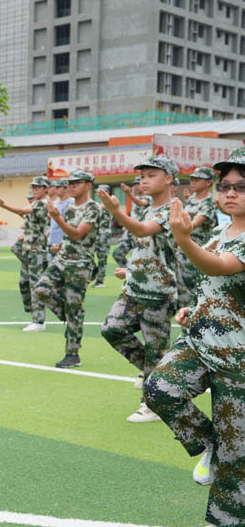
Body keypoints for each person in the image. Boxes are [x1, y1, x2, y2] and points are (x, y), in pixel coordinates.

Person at [143, 148, 245, 527]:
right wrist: (194, 309)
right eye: (225, 187)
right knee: (159, 389)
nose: (231, 193)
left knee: (237, 449)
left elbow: (219, 266)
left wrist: (183, 238)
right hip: (202, 340)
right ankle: (208, 445)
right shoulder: (225, 231)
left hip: (237, 357)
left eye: (241, 187)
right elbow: (217, 282)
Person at [98, 156, 180, 422]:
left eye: (151, 175)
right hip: (134, 288)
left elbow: (144, 232)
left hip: (157, 293)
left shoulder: (172, 209)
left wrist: (116, 211)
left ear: (168, 179)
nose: (144, 180)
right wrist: (131, 270)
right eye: (142, 175)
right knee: (112, 329)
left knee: (156, 349)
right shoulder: (148, 209)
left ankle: (152, 404)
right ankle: (157, 374)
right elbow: (146, 248)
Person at [33, 169, 101, 368]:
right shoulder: (71, 207)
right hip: (63, 258)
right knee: (41, 289)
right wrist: (60, 244)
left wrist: (57, 217)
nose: (71, 186)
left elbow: (79, 234)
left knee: (74, 307)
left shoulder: (93, 208)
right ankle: (69, 314)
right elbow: (69, 235)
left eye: (77, 183)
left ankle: (72, 353)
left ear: (88, 185)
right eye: (69, 183)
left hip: (80, 263)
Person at [0, 176, 50, 332]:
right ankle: (34, 313)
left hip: (37, 250)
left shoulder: (42, 204)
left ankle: (38, 321)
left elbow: (21, 210)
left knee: (34, 284)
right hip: (28, 250)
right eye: (33, 187)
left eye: (38, 187)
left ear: (46, 189)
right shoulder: (35, 205)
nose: (35, 189)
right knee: (23, 282)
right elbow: (25, 216)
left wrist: (3, 205)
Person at [180, 166, 220, 303]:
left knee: (196, 289)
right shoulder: (191, 200)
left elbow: (193, 224)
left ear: (208, 182)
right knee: (183, 288)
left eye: (197, 180)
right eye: (192, 180)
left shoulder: (208, 203)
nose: (193, 183)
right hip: (185, 249)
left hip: (200, 251)